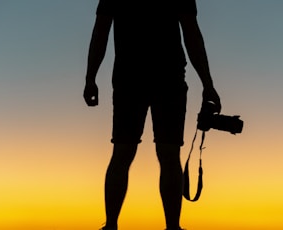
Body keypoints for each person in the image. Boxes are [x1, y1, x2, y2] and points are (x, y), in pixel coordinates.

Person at [83, 0, 221, 229]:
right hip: (162, 79)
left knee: (127, 152)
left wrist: (90, 78)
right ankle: (165, 226)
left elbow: (101, 31)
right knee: (162, 153)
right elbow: (192, 34)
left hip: (138, 79)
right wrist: (207, 83)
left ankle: (114, 225)